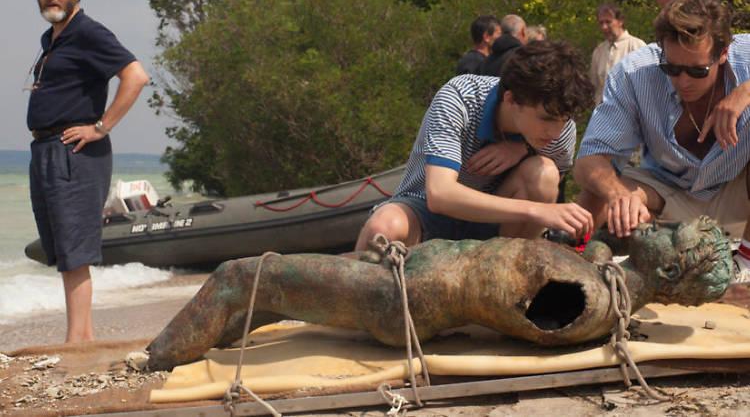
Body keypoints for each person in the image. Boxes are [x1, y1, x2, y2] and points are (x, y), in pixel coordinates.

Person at [147, 216, 730, 370]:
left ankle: (155, 360)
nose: (655, 226)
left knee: (240, 277)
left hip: (397, 299)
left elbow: (546, 319)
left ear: (674, 272)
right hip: (405, 279)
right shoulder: (608, 280)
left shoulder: (589, 300)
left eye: (668, 235)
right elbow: (602, 253)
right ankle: (198, 349)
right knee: (266, 302)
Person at [355, 40, 594, 251]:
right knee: (384, 226)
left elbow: (551, 185)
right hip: (426, 212)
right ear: (511, 99)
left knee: (544, 174)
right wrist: (535, 210)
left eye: (564, 121)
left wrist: (522, 148)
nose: (555, 133)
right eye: (546, 119)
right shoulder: (459, 98)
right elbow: (439, 194)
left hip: (494, 225)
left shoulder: (561, 126)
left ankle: (510, 279)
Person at [573, 0, 750, 280]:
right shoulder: (633, 73)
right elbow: (588, 160)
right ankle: (574, 266)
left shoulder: (747, 56)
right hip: (669, 190)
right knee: (599, 188)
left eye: (697, 70)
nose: (683, 81)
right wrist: (619, 196)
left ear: (723, 53)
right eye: (672, 68)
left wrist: (746, 91)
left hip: (736, 192)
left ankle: (746, 262)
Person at [27, 0, 149, 342]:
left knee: (75, 251)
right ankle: (83, 340)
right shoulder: (53, 38)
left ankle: (77, 345)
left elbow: (135, 75)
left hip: (73, 152)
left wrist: (101, 127)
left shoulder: (88, 32)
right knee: (64, 251)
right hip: (46, 149)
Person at [590, 2, 646, 106]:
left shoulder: (637, 46)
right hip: (604, 114)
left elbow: (646, 85)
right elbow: (595, 87)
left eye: (608, 22)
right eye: (601, 23)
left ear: (620, 21)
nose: (604, 27)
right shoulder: (598, 51)